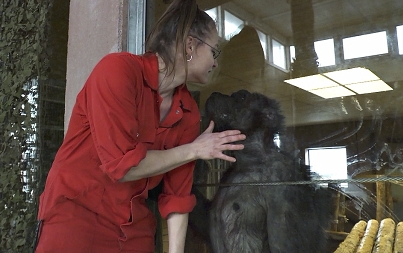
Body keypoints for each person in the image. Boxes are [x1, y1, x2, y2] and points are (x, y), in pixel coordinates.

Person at [34, 0, 245, 252]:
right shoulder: (117, 71)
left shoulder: (187, 111)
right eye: (214, 51)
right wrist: (194, 150)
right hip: (77, 216)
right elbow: (122, 166)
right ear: (190, 45)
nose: (215, 63)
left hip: (133, 227)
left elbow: (177, 197)